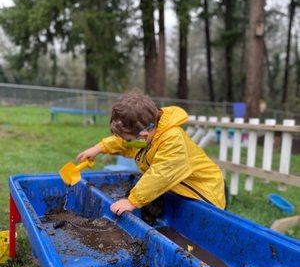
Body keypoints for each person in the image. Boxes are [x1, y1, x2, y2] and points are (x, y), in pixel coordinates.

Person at [76, 92, 226, 215]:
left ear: (145, 133)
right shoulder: (145, 136)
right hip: (177, 189)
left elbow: (161, 175)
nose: (125, 142)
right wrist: (99, 148)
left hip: (203, 193)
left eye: (128, 139)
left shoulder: (172, 139)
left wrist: (131, 201)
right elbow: (123, 142)